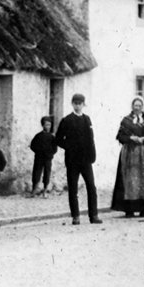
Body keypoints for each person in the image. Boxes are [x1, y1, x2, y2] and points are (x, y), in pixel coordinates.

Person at [110, 95, 144, 218]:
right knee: (130, 181)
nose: (137, 108)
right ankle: (129, 209)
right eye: (135, 105)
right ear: (132, 106)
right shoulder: (126, 120)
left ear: (142, 107)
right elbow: (120, 136)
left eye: (139, 106)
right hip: (130, 154)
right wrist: (131, 138)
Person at [55, 93, 101, 225]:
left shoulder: (87, 119)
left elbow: (91, 139)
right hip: (72, 160)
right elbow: (58, 139)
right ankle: (75, 216)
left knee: (91, 187)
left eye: (80, 103)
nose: (77, 105)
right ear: (72, 104)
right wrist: (69, 147)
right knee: (73, 189)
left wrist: (92, 155)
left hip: (86, 160)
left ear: (83, 105)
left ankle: (94, 215)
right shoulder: (67, 120)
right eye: (75, 103)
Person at [29, 117, 56, 197]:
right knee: (36, 173)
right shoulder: (38, 136)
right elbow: (32, 145)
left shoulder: (52, 137)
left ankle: (45, 191)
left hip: (48, 158)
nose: (48, 127)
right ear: (43, 125)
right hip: (39, 158)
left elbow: (55, 148)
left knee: (47, 173)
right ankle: (34, 190)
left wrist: (50, 154)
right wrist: (38, 151)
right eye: (46, 125)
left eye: (49, 125)